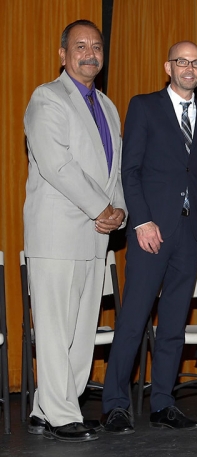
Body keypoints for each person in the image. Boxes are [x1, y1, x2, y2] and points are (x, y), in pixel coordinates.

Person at [101, 41, 197, 434]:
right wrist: (142, 222)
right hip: (151, 232)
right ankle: (115, 405)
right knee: (133, 320)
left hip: (190, 234)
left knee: (173, 325)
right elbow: (129, 170)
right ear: (168, 66)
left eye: (196, 62)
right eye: (182, 61)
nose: (189, 68)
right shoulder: (144, 106)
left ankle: (164, 403)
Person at [23, 19, 126, 442]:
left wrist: (117, 209)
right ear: (63, 54)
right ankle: (62, 414)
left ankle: (42, 409)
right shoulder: (47, 98)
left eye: (96, 46)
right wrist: (100, 207)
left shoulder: (108, 105)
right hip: (57, 232)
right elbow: (56, 164)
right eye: (80, 46)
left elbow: (113, 169)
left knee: (82, 330)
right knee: (54, 328)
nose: (90, 53)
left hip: (96, 234)